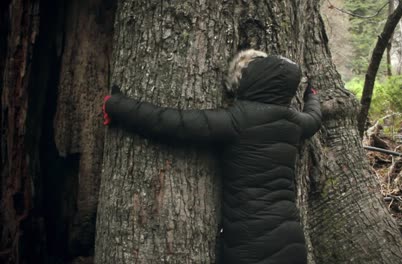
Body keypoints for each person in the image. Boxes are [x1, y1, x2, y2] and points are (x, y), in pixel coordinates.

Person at [102, 49, 322, 264]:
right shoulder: (295, 122)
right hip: (291, 238)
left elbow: (171, 122)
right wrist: (312, 97)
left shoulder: (236, 120)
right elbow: (314, 119)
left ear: (253, 81)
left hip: (251, 243)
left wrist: (117, 105)